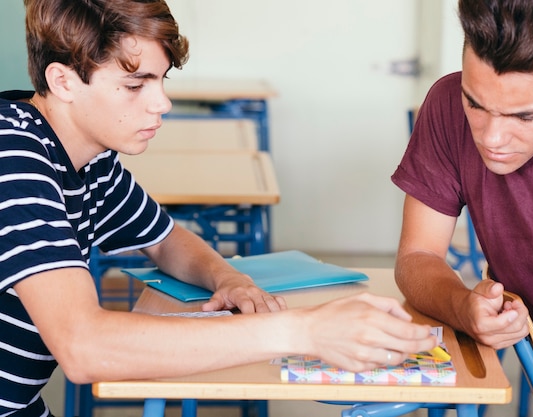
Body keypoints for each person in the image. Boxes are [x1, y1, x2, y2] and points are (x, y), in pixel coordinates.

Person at [0, 1, 438, 415]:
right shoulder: (14, 155)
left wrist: (230, 280)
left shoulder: (87, 159)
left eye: (161, 80)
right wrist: (306, 330)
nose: (162, 103)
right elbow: (84, 347)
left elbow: (167, 239)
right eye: (135, 85)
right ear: (63, 82)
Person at [391, 0, 533, 416]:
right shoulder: (446, 107)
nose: (492, 137)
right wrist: (462, 307)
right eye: (476, 104)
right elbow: (418, 256)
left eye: (525, 116)